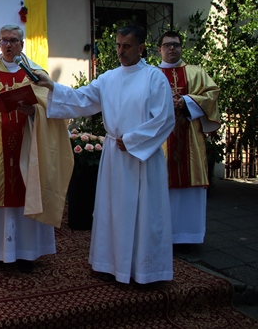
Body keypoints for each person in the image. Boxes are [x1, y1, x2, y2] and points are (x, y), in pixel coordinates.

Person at [37, 24, 176, 284]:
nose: (121, 51)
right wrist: (52, 87)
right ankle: (111, 264)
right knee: (113, 210)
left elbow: (164, 118)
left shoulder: (154, 78)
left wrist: (133, 140)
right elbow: (81, 98)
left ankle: (145, 271)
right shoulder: (109, 78)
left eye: (127, 46)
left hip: (142, 157)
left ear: (141, 48)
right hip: (115, 156)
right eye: (118, 46)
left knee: (145, 213)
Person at [0, 24, 74, 274]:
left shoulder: (36, 75)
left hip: (27, 152)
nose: (7, 45)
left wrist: (34, 113)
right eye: (3, 40)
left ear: (22, 44)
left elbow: (53, 113)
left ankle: (27, 253)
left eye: (12, 40)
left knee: (25, 197)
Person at [157, 31, 221, 245]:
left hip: (191, 141)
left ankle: (190, 237)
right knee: (160, 187)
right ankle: (163, 237)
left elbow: (211, 94)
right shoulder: (151, 75)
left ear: (181, 48)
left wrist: (186, 101)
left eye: (176, 45)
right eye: (167, 45)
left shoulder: (196, 72)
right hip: (161, 143)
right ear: (159, 49)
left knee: (190, 190)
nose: (172, 48)